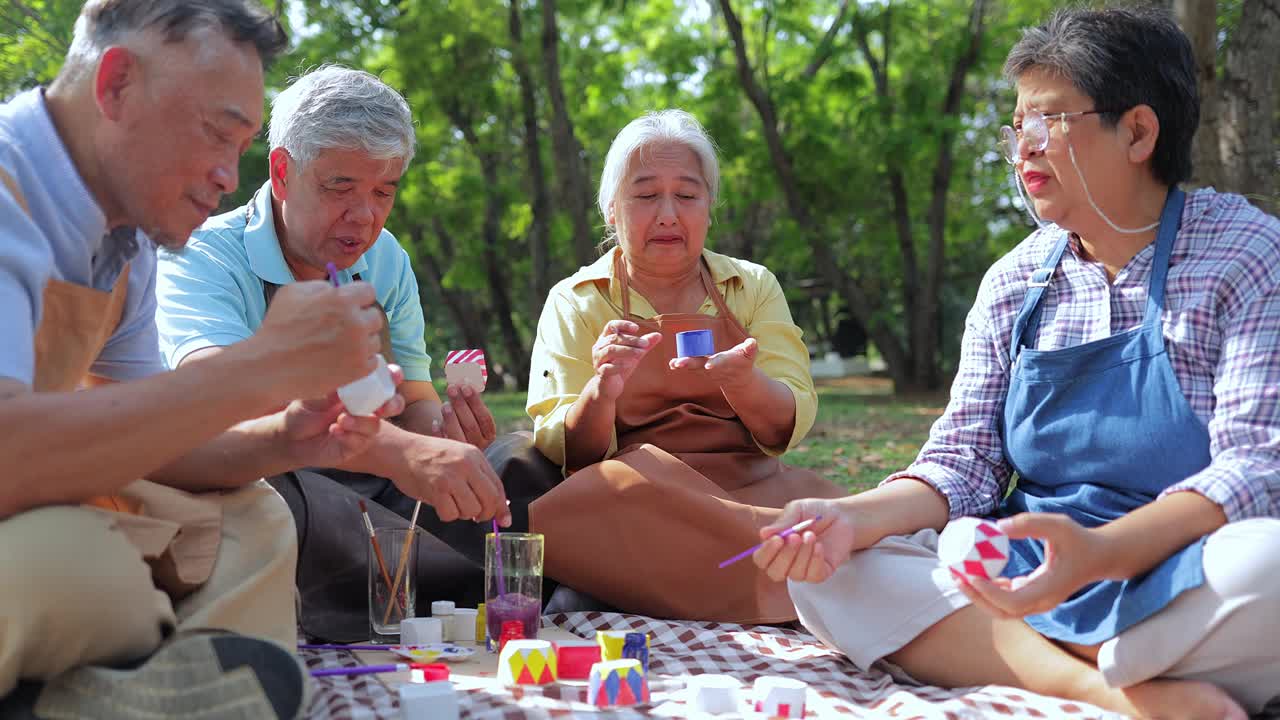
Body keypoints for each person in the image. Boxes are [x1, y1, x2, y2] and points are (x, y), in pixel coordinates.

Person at [754, 8, 1280, 719]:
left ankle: (1013, 653)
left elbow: (1255, 468)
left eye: (1049, 121)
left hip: (1185, 567)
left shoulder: (1248, 254)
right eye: (1017, 127)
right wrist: (847, 517)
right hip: (1026, 570)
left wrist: (1101, 555)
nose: (1023, 150)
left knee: (1268, 566)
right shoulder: (1017, 279)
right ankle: (1108, 690)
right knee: (834, 573)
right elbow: (963, 464)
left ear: (1138, 131)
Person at [0, 1, 407, 717]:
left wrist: (286, 436)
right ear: (117, 85)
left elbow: (153, 442)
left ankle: (149, 686)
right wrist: (265, 366)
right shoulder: (9, 192)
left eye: (243, 144)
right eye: (217, 134)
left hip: (47, 497)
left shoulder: (126, 242)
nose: (228, 176)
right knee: (75, 560)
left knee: (254, 514)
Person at [154, 66, 554, 636]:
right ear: (283, 172)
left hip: (378, 478)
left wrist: (440, 434)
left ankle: (501, 590)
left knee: (518, 464)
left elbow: (413, 398)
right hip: (279, 473)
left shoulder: (386, 259)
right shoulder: (204, 257)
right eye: (340, 187)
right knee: (269, 498)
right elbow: (221, 398)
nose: (364, 216)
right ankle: (442, 596)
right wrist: (399, 452)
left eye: (383, 191)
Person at [524, 109, 845, 622]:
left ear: (709, 207)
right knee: (585, 570)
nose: (668, 214)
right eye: (646, 195)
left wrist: (744, 381)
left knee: (843, 539)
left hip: (747, 491)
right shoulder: (577, 299)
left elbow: (791, 418)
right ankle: (750, 592)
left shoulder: (751, 286)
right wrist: (603, 390)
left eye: (687, 195)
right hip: (638, 500)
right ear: (611, 209)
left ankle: (735, 582)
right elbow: (567, 450)